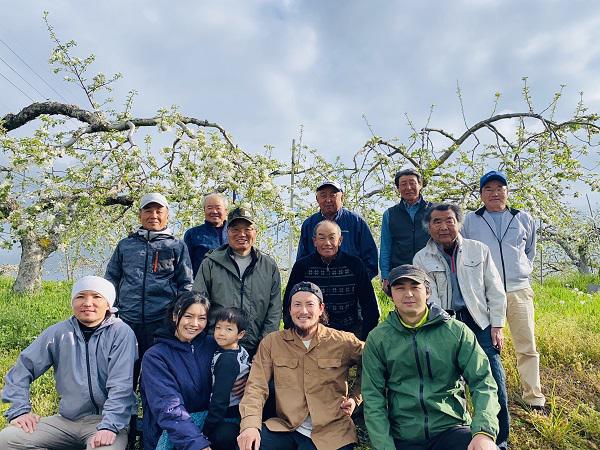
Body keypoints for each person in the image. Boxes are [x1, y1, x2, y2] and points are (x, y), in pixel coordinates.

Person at [362, 265, 500, 450]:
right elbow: (373, 397)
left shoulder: (456, 331)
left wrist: (484, 432)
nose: (408, 294)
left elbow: (483, 381)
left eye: (415, 286)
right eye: (400, 288)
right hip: (404, 435)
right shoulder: (378, 338)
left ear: (427, 291)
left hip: (451, 429)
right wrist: (384, 447)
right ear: (391, 294)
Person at [0, 276, 137, 450]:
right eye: (80, 297)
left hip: (107, 422)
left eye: (96, 297)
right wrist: (19, 410)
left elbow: (121, 386)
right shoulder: (59, 333)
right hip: (66, 420)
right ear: (72, 302)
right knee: (7, 439)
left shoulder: (121, 333)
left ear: (109, 304)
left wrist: (109, 426)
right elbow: (22, 368)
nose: (88, 303)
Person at [413, 203, 509, 449]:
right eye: (437, 221)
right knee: (451, 382)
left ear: (459, 223)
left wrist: (497, 325)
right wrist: (441, 322)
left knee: (492, 379)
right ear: (428, 227)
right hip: (444, 325)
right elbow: (427, 296)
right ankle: (464, 435)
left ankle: (499, 441)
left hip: (479, 322)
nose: (444, 226)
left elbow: (495, 290)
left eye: (449, 220)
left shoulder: (478, 250)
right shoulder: (421, 258)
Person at [237, 282, 363, 450]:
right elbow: (256, 387)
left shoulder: (343, 341)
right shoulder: (272, 342)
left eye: (310, 304)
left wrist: (355, 398)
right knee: (249, 445)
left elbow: (375, 363)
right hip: (286, 427)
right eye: (297, 304)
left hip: (332, 432)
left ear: (321, 309)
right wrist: (250, 425)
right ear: (289, 310)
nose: (303, 311)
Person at [462, 170, 545, 411]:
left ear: (507, 192)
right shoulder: (471, 220)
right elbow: (464, 250)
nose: (495, 193)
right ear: (481, 194)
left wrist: (522, 269)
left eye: (500, 188)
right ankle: (492, 395)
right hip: (484, 293)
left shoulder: (523, 218)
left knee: (526, 344)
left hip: (518, 289)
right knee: (487, 346)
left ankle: (533, 396)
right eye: (488, 189)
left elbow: (530, 249)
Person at [105, 192, 193, 387]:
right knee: (123, 374)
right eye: (148, 210)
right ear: (140, 215)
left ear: (167, 215)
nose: (153, 215)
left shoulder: (177, 246)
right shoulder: (125, 245)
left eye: (158, 211)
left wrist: (177, 317)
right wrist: (110, 311)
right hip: (127, 321)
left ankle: (153, 416)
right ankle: (123, 416)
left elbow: (186, 285)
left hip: (161, 322)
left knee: (157, 376)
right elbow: (111, 279)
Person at [142, 292, 240, 450]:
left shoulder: (214, 344)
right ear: (175, 316)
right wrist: (197, 444)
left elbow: (239, 360)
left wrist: (243, 380)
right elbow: (169, 407)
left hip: (209, 425)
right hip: (173, 430)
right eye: (188, 316)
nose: (194, 324)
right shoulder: (156, 356)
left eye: (202, 318)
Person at [193, 206, 281, 357]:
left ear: (255, 232)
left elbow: (274, 309)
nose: (242, 234)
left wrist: (265, 341)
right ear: (227, 232)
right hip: (216, 345)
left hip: (257, 347)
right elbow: (198, 303)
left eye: (247, 229)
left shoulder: (269, 266)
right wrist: (207, 338)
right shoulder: (211, 263)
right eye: (235, 229)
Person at [284, 219, 380, 340]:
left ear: (340, 240)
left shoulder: (355, 264)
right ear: (314, 241)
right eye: (322, 238)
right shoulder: (302, 266)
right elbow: (289, 302)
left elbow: (369, 304)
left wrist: (366, 337)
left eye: (332, 238)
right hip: (313, 332)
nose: (327, 243)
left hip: (350, 331)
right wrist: (293, 334)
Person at [296, 180, 378, 280]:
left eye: (333, 195)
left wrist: (359, 283)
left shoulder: (356, 222)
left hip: (351, 286)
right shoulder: (309, 224)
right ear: (317, 199)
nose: (328, 200)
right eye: (323, 195)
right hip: (316, 286)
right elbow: (301, 260)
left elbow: (371, 260)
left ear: (342, 197)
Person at [379, 168, 432, 290]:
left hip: (430, 269)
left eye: (412, 183)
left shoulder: (433, 210)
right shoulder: (390, 214)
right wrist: (385, 276)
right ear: (398, 188)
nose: (408, 187)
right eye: (403, 184)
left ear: (420, 185)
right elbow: (386, 246)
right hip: (401, 271)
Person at [203, 307, 251, 439]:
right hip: (235, 411)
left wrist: (206, 431)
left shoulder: (227, 361)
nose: (221, 333)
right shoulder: (239, 350)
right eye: (218, 327)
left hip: (226, 415)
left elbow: (220, 399)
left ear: (240, 334)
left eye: (228, 329)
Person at [184, 193, 229, 277]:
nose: (214, 211)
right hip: (202, 286)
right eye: (209, 208)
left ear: (226, 210)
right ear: (204, 210)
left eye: (218, 208)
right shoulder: (192, 234)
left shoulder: (235, 233)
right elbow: (186, 266)